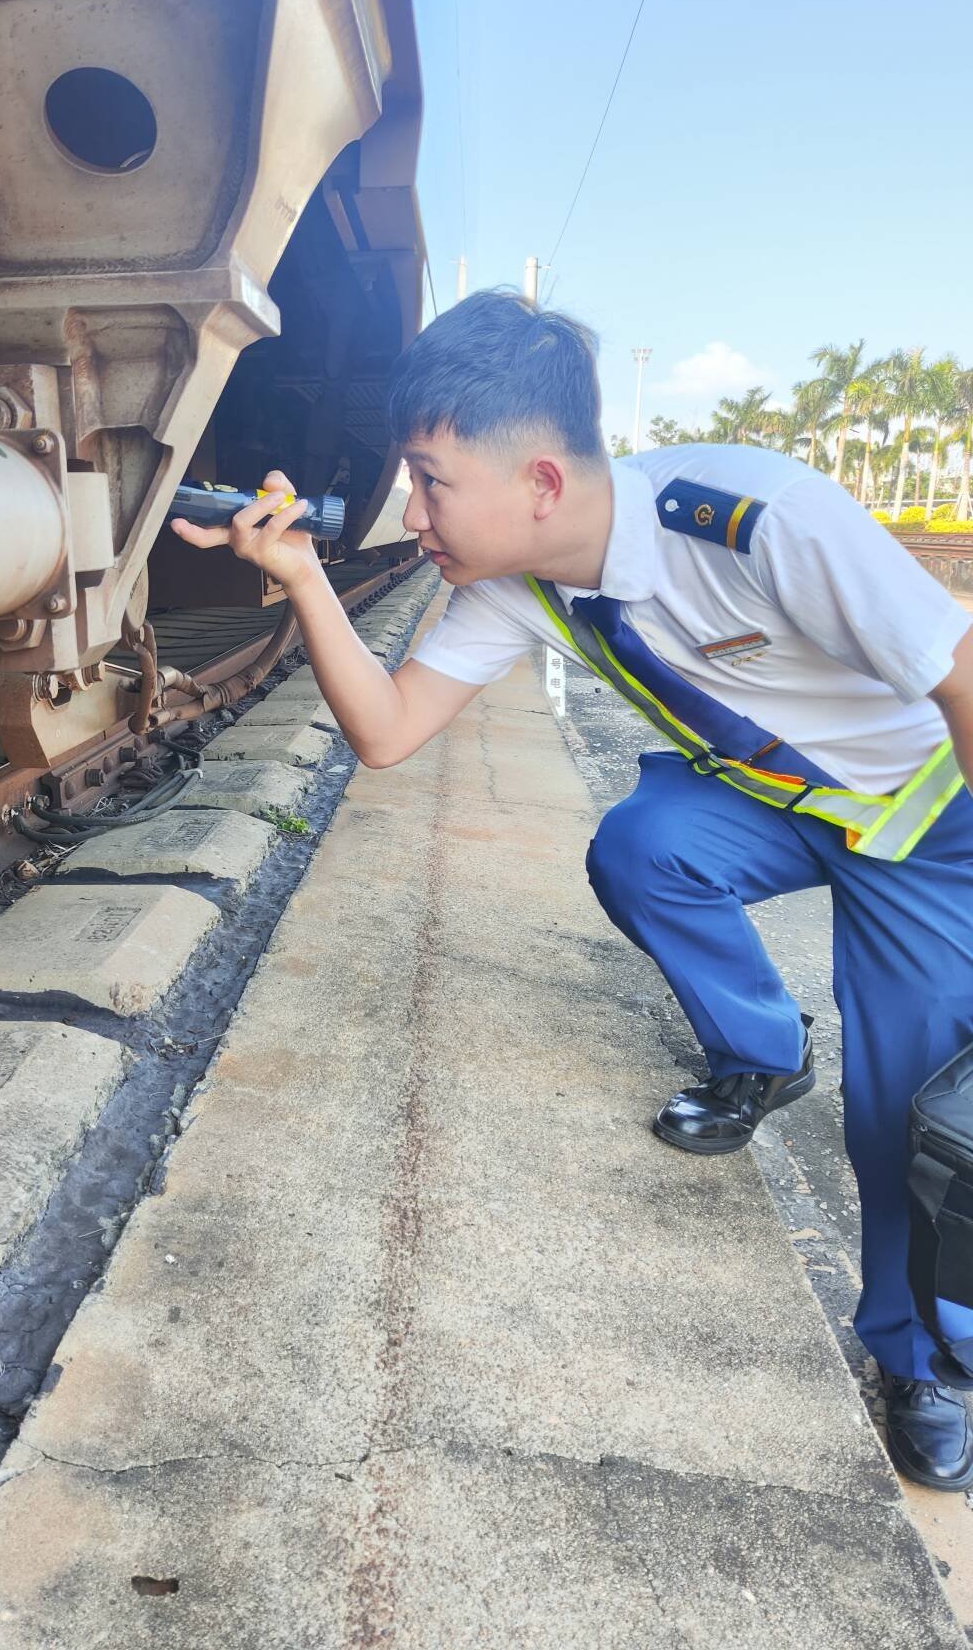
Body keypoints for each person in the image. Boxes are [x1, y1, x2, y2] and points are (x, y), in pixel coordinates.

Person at [171, 288, 973, 1492]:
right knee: (639, 849)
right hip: (770, 796)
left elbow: (960, 671)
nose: (409, 511)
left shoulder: (753, 518)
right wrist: (296, 575)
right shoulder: (515, 581)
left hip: (917, 816)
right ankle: (764, 1051)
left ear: (540, 480)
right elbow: (386, 730)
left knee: (905, 1116)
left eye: (430, 481)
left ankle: (924, 1357)